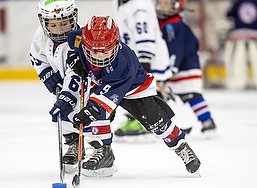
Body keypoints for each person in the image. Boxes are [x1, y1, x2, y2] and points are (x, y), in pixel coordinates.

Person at [50, 15, 201, 178]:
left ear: (115, 44)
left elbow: (109, 93)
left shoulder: (123, 63)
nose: (100, 57)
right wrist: (73, 55)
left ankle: (181, 146)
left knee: (158, 122)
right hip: (102, 84)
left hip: (133, 87)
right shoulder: (80, 37)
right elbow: (72, 42)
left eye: (105, 51)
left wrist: (91, 109)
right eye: (94, 51)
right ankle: (103, 152)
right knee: (95, 114)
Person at [29, 0, 86, 174]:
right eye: (53, 25)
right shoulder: (41, 35)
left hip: (85, 86)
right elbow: (36, 56)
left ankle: (100, 148)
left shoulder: (79, 40)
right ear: (45, 23)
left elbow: (75, 74)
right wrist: (47, 75)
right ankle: (74, 144)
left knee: (86, 116)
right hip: (62, 83)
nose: (60, 29)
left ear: (73, 18)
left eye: (64, 23)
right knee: (64, 116)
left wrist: (68, 95)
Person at [112, 0, 174, 139]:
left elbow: (144, 32)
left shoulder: (139, 6)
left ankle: (149, 122)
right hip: (135, 59)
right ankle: (137, 120)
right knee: (134, 92)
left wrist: (145, 59)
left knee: (146, 92)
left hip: (147, 57)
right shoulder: (124, 5)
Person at [156, 0, 217, 137]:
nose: (162, 7)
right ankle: (163, 125)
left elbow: (176, 50)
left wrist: (170, 68)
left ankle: (207, 122)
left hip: (184, 69)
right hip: (179, 68)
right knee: (162, 95)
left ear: (177, 7)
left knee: (191, 95)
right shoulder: (167, 23)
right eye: (161, 3)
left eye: (167, 4)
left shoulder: (174, 25)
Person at [224, 0, 257, 90]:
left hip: (239, 35)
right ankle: (239, 83)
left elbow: (229, 18)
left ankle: (238, 83)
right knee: (244, 59)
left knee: (238, 60)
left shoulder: (236, 3)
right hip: (250, 35)